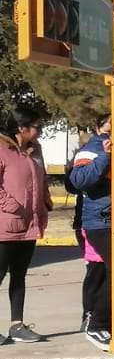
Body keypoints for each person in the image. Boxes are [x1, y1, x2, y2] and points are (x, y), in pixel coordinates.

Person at [0, 105, 50, 344]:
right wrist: (9, 205)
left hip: (30, 224)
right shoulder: (2, 150)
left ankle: (17, 325)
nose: (40, 131)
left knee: (19, 276)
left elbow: (42, 179)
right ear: (21, 128)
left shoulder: (35, 151)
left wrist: (45, 201)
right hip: (5, 226)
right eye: (37, 126)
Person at [69, 115, 114, 349]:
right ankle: (92, 319)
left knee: (113, 271)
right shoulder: (91, 151)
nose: (113, 130)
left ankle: (103, 320)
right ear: (98, 128)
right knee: (99, 270)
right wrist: (105, 157)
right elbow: (79, 180)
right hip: (95, 221)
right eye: (108, 125)